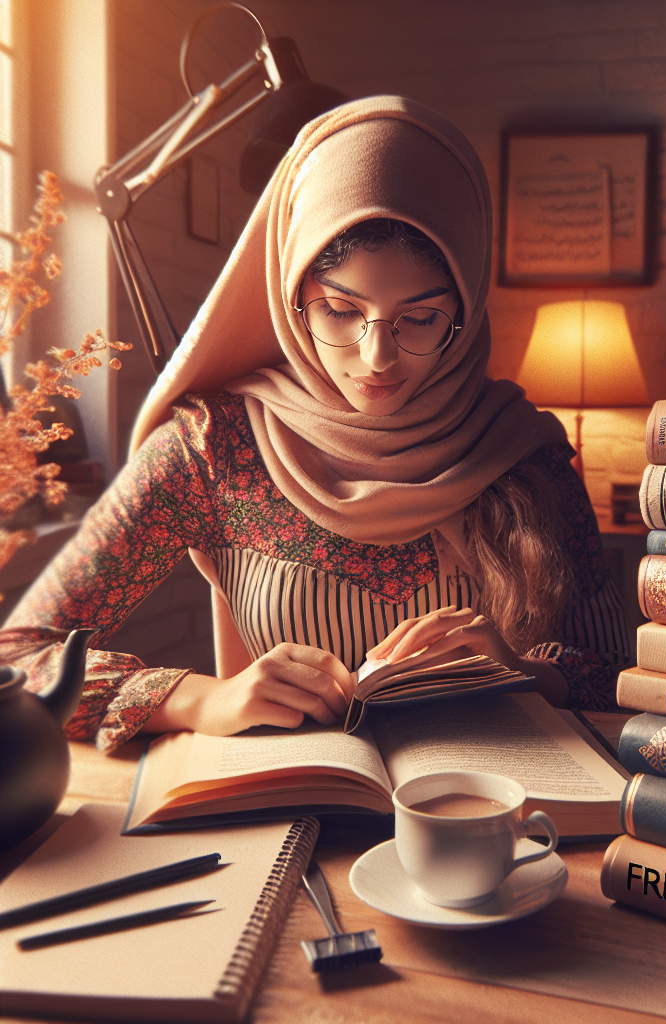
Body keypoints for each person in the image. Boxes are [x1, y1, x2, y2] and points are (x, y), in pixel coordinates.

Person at [0, 96, 630, 752]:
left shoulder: (524, 455)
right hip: (278, 825)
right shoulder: (211, 449)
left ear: (466, 309)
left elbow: (626, 677)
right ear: (290, 296)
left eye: (419, 318)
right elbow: (20, 656)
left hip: (490, 825)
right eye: (338, 309)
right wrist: (200, 698)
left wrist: (527, 673)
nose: (377, 357)